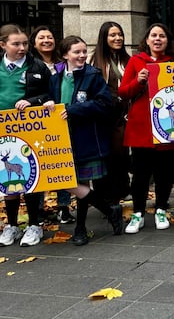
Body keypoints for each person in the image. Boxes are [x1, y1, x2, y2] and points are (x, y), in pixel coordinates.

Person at [42, 36, 124, 245]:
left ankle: (80, 228)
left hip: (86, 138)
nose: (81, 56)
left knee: (82, 182)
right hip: (61, 140)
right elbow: (49, 100)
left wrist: (74, 110)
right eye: (76, 52)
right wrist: (48, 102)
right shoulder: (56, 78)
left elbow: (105, 104)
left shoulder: (93, 76)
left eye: (83, 51)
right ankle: (110, 210)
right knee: (66, 181)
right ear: (65, 55)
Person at [119, 23, 174, 234]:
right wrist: (138, 81)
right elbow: (123, 92)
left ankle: (161, 209)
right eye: (154, 35)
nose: (157, 39)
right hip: (142, 126)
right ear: (147, 40)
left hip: (165, 127)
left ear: (167, 40)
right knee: (140, 173)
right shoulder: (136, 61)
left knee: (164, 172)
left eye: (162, 36)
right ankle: (137, 212)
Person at [0, 24, 49, 247]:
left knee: (30, 177)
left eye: (25, 44)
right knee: (7, 181)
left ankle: (34, 224)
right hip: (3, 131)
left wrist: (32, 101)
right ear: (3, 45)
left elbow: (50, 93)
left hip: (29, 129)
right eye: (16, 44)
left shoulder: (37, 66)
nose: (22, 48)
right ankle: (11, 226)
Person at [30, 25, 75, 224]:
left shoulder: (62, 62)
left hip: (59, 120)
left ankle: (63, 207)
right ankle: (38, 209)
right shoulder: (30, 64)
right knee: (39, 163)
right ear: (34, 42)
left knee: (61, 163)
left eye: (50, 37)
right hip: (37, 122)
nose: (47, 40)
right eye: (42, 38)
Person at [89, 21, 132, 205]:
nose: (118, 38)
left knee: (121, 154)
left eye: (120, 34)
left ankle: (122, 189)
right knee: (105, 156)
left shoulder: (128, 59)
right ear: (104, 38)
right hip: (103, 117)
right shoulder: (94, 61)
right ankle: (105, 195)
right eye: (113, 35)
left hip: (124, 116)